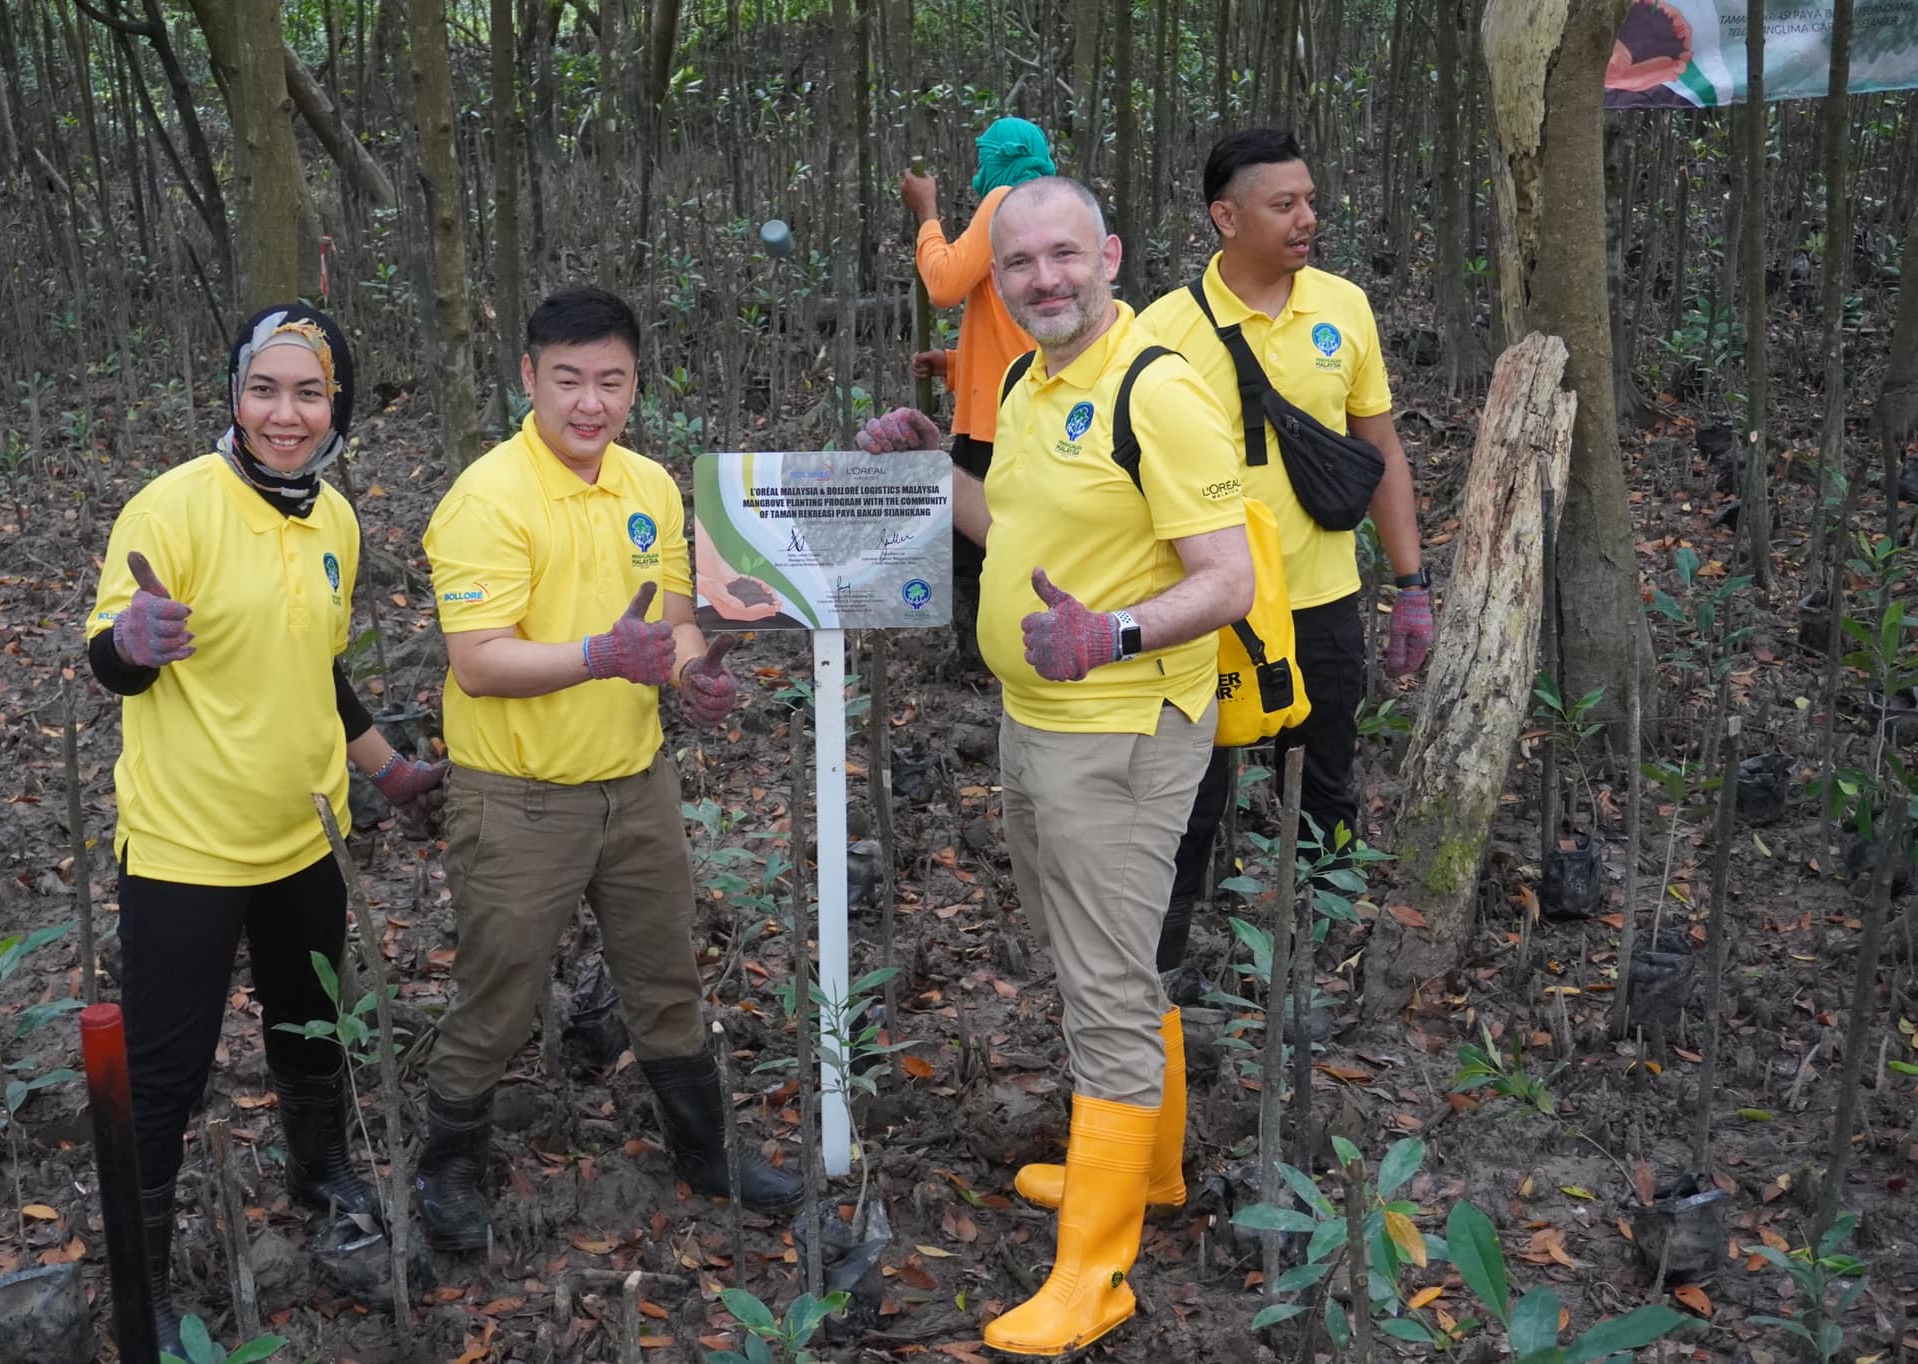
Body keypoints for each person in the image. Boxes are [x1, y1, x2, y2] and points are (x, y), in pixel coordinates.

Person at [858, 178, 1253, 1355]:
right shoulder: (1032, 381)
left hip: (1123, 732)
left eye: (1063, 256)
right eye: (1020, 261)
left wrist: (1112, 633)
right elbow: (1017, 529)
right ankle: (1152, 1172)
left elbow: (1224, 579)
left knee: (1106, 991)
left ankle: (1095, 1272)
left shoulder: (1159, 390)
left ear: (1110, 256)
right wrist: (939, 463)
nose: (1042, 279)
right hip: (1036, 720)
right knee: (1107, 963)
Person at [85, 303, 447, 1349]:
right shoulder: (171, 507)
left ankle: (322, 1172)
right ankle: (139, 1280)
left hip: (308, 834)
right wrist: (135, 642)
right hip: (186, 845)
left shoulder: (333, 516)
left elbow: (317, 665)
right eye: (263, 389)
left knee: (306, 1024)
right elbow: (106, 654)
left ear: (337, 404)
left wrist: (385, 770)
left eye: (308, 392)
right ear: (232, 394)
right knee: (164, 1070)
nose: (283, 415)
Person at [414, 286, 803, 1255]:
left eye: (611, 381)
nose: (589, 402)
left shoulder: (650, 486)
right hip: (519, 796)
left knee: (665, 974)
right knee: (499, 991)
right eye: (568, 380)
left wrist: (692, 676)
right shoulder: (486, 498)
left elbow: (669, 629)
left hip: (635, 781)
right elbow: (477, 659)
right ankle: (447, 1163)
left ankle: (704, 1151)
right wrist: (598, 655)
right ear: (528, 378)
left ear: (636, 383)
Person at [1138, 128, 1430, 968]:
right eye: (1284, 204)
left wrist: (1410, 585)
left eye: (1310, 201)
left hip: (1323, 597)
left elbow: (1382, 454)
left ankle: (1327, 951)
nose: (1308, 219)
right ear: (1225, 217)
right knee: (1192, 796)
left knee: (1329, 781)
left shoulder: (1343, 307)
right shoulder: (1162, 330)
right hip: (1209, 608)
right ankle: (1166, 968)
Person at [900, 117, 1050, 668]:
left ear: (1003, 157)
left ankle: (982, 659)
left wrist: (927, 213)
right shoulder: (1042, 211)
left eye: (984, 156)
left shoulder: (1007, 201)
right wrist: (955, 366)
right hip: (1018, 405)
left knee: (976, 547)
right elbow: (1020, 339)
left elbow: (942, 285)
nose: (978, 169)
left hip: (997, 422)